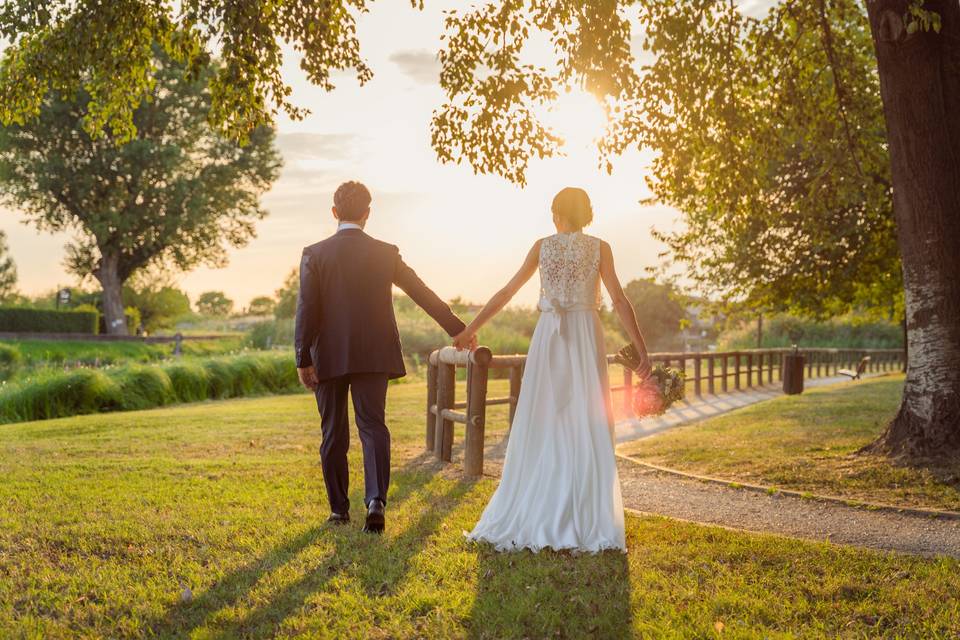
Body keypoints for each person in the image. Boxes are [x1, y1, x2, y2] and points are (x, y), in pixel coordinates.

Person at [453, 187, 651, 552]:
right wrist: (641, 348)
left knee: (543, 416)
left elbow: (507, 291)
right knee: (584, 419)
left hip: (549, 335)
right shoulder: (600, 247)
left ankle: (539, 503)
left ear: (555, 213)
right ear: (588, 213)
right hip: (584, 335)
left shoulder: (542, 246)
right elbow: (620, 300)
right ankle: (584, 511)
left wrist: (471, 327)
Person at [295, 181, 473, 533]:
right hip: (374, 352)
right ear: (367, 214)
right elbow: (420, 291)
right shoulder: (386, 252)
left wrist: (303, 357)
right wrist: (457, 328)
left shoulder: (314, 253)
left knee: (333, 431)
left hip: (328, 354)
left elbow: (307, 309)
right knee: (372, 425)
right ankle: (375, 500)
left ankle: (338, 510)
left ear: (334, 213)